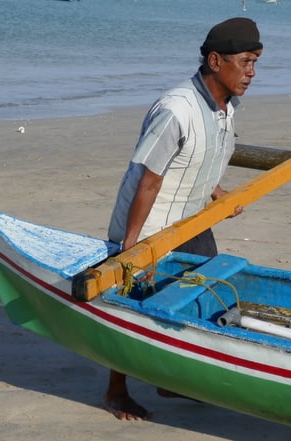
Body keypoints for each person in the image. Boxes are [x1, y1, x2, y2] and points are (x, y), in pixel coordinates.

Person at [104, 17, 263, 421]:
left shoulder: (227, 106)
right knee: (130, 302)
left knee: (203, 290)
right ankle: (116, 390)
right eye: (245, 61)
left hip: (191, 219)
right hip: (150, 221)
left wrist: (217, 193)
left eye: (256, 62)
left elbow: (199, 155)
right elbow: (148, 180)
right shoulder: (176, 109)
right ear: (215, 60)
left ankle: (168, 378)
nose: (252, 72)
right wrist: (130, 247)